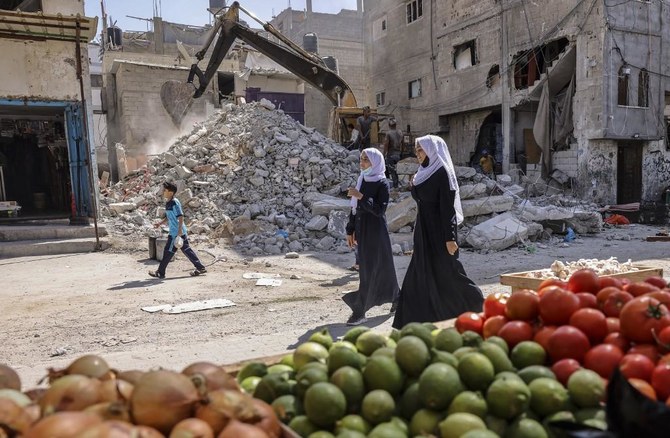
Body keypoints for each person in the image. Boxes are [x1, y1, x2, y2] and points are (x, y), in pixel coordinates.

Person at [392, 135, 483, 328]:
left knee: (449, 272)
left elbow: (447, 209)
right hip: (423, 230)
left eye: (420, 150)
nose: (417, 154)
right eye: (416, 150)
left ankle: (479, 306)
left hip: (440, 232)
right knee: (419, 273)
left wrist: (449, 238)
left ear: (432, 150)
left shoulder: (442, 173)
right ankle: (411, 321)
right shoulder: (422, 173)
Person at [343, 148, 399, 325]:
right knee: (379, 267)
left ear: (375, 162)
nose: (362, 162)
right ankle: (397, 297)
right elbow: (354, 210)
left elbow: (379, 210)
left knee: (370, 269)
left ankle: (359, 310)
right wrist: (350, 230)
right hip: (362, 229)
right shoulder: (362, 179)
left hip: (376, 231)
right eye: (361, 159)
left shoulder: (382, 183)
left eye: (366, 160)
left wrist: (361, 196)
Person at [149, 181, 207, 279]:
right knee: (186, 250)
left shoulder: (175, 202)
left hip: (176, 232)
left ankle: (160, 272)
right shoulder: (168, 203)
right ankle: (200, 267)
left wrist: (179, 231)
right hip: (178, 231)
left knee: (168, 252)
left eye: (165, 190)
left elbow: (180, 217)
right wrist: (160, 223)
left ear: (171, 192)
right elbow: (169, 217)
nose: (163, 192)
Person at [383, 118, 403, 188]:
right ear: (395, 125)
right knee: (396, 171)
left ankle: (395, 187)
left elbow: (386, 144)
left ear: (389, 125)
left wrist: (383, 154)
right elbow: (402, 144)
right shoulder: (400, 132)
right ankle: (396, 185)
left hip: (391, 155)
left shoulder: (388, 133)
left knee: (392, 172)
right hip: (398, 155)